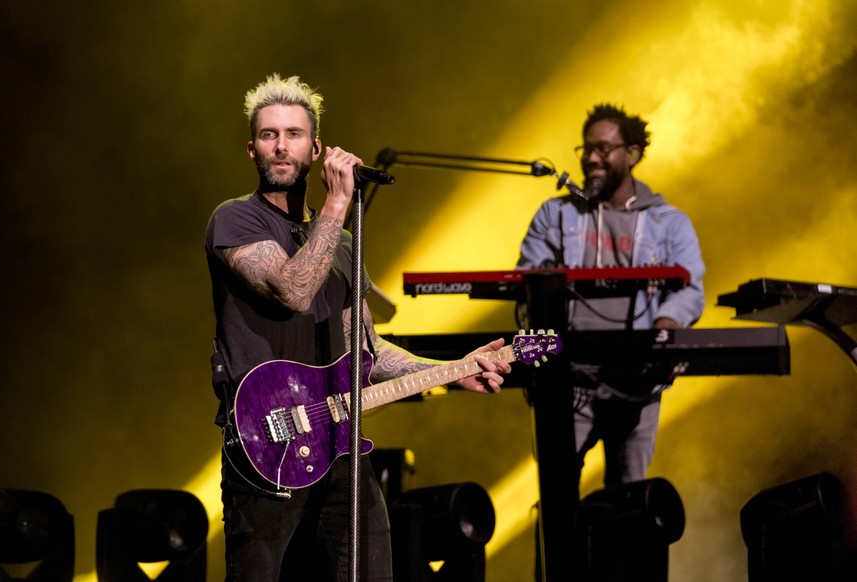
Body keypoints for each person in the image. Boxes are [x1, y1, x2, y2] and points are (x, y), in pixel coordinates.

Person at [204, 72, 511, 582]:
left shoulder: (344, 245)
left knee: (371, 569)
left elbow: (366, 350)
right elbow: (293, 289)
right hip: (264, 441)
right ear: (251, 150)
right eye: (268, 135)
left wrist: (450, 371)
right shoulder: (235, 220)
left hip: (338, 443)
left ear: (316, 148)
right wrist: (338, 204)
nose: (281, 147)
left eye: (294, 135)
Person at [517, 103, 706, 489]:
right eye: (586, 149)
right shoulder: (555, 215)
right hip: (567, 378)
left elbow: (690, 291)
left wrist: (665, 328)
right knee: (557, 493)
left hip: (636, 380)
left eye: (603, 149)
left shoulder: (670, 222)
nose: (590, 158)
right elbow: (525, 282)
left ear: (632, 154)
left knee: (629, 497)